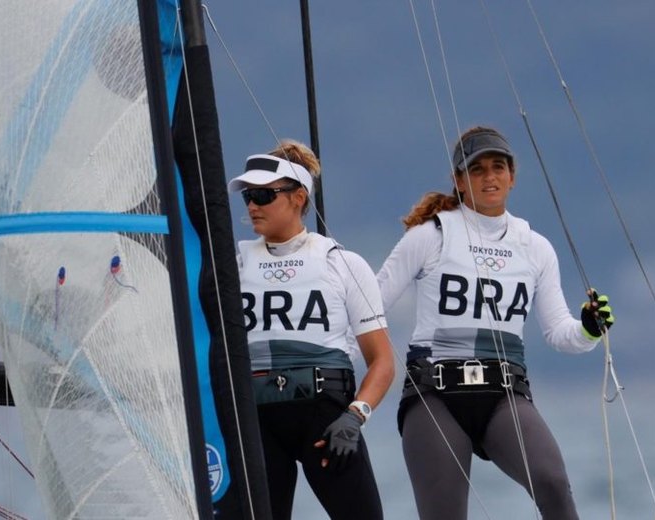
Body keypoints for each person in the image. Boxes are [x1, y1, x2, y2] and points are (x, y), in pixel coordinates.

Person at [377, 126, 615, 519]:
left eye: (498, 167)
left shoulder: (535, 247)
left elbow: (560, 332)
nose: (489, 177)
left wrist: (589, 327)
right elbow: (372, 303)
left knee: (553, 483)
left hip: (503, 396)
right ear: (459, 181)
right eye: (478, 169)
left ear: (512, 176)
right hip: (433, 397)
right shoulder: (429, 236)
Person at [228, 140, 395, 520]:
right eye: (248, 196)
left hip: (325, 421)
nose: (252, 205)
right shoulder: (232, 264)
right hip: (257, 423)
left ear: (298, 197)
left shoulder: (343, 263)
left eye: (263, 195)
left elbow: (383, 361)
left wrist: (355, 416)